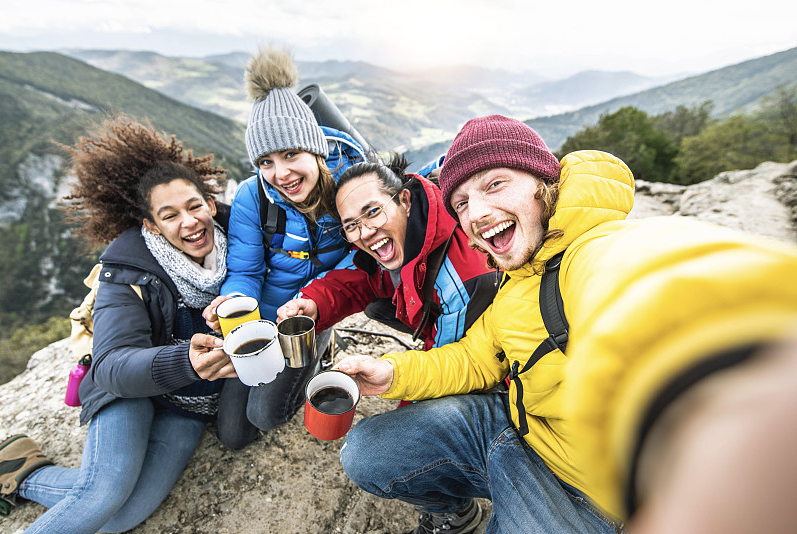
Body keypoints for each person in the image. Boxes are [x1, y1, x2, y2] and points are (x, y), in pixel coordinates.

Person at [332, 114, 797, 533]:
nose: (477, 213)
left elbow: (651, 279)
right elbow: (476, 357)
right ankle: (458, 515)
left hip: (580, 493)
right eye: (462, 202)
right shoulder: (518, 273)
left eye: (495, 184)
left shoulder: (591, 251)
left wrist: (729, 364)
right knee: (367, 452)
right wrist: (391, 372)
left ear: (542, 180)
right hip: (515, 429)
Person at [0, 116, 239, 533]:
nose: (189, 222)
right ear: (152, 226)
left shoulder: (243, 243)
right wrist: (185, 362)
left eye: (194, 206)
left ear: (211, 204)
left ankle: (24, 472)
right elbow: (110, 365)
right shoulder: (126, 271)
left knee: (120, 517)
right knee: (102, 494)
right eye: (169, 215)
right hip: (128, 391)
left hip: (188, 406)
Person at [202, 47, 368, 448]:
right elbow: (245, 271)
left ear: (315, 148)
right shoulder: (252, 197)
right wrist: (234, 305)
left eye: (291, 154)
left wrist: (314, 303)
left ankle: (321, 349)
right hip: (262, 320)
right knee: (234, 434)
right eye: (266, 162)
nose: (281, 173)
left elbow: (363, 257)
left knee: (266, 415)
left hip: (313, 313)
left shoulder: (351, 187)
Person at [277, 155, 500, 356]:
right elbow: (359, 278)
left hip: (498, 356)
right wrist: (315, 304)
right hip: (439, 309)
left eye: (373, 211)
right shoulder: (393, 236)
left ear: (404, 201)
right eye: (351, 225)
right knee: (377, 307)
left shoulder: (462, 276)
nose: (365, 232)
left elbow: (448, 362)